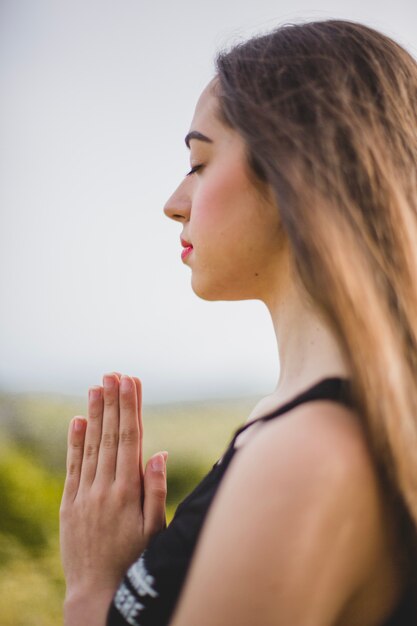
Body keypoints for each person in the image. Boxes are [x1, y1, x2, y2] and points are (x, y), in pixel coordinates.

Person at [59, 18, 417, 626]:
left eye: (199, 163)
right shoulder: (294, 422)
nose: (174, 203)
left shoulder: (309, 457)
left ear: (292, 174)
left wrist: (93, 591)